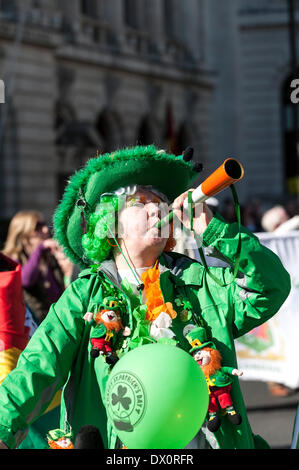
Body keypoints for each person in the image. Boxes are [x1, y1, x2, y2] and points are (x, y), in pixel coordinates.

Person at [0, 145, 291, 449]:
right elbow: (38, 366)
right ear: (110, 223)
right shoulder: (85, 294)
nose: (157, 209)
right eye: (141, 202)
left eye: (162, 202)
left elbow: (271, 287)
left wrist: (214, 230)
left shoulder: (201, 285)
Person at [2, 211, 73, 324]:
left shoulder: (47, 257)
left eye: (44, 224)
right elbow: (25, 281)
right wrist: (40, 248)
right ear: (24, 233)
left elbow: (61, 293)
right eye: (38, 226)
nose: (45, 229)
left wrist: (68, 273)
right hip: (31, 328)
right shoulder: (11, 260)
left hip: (53, 323)